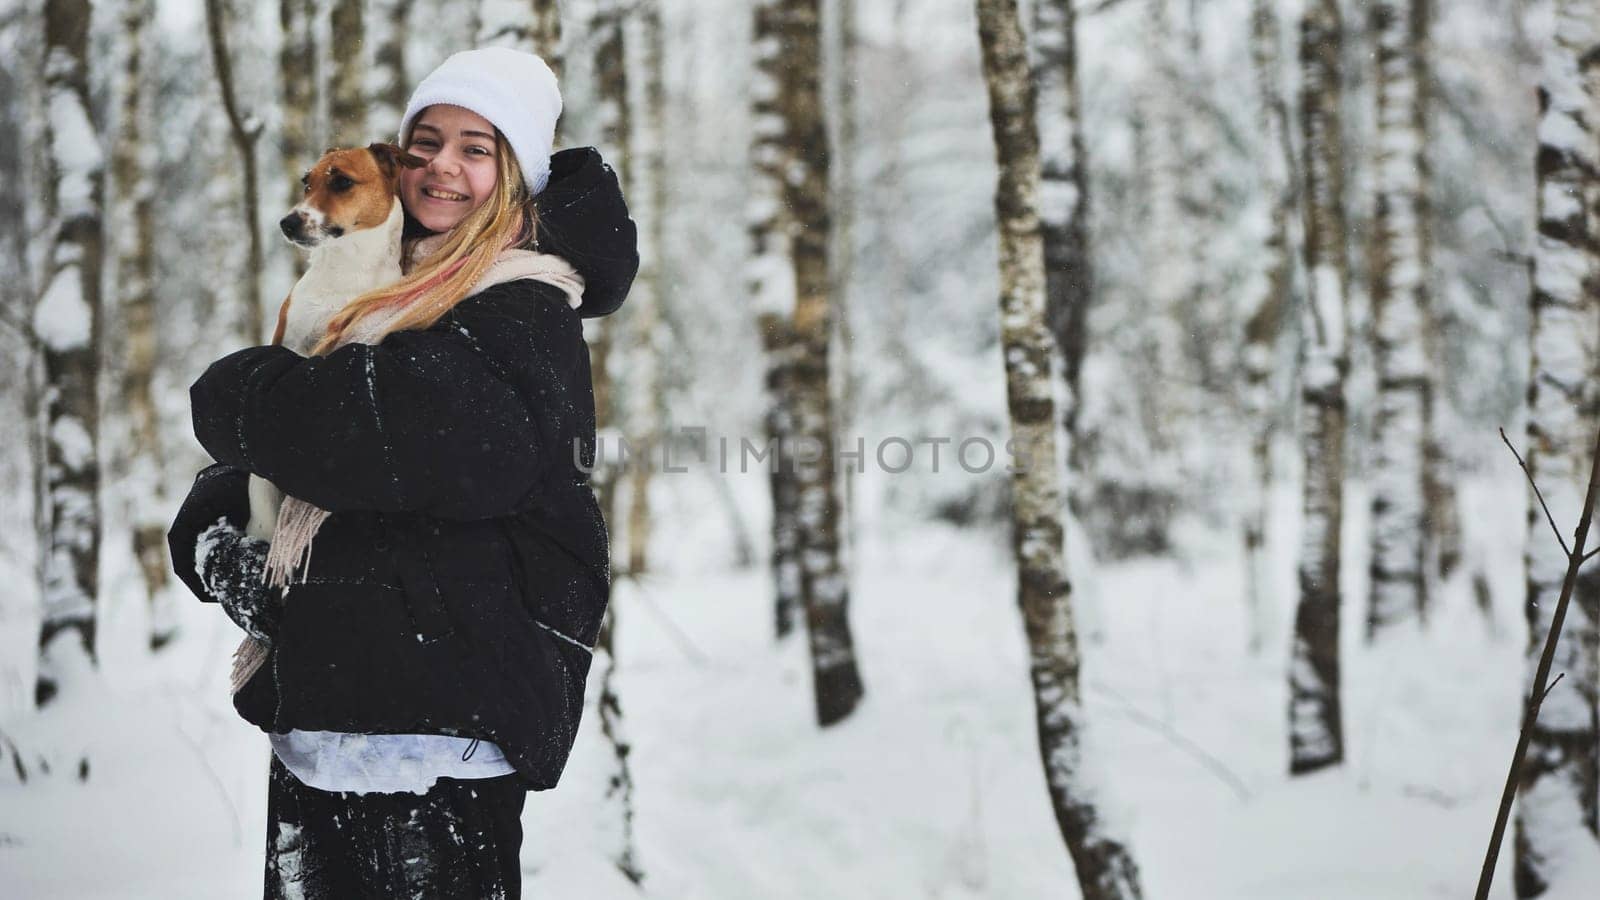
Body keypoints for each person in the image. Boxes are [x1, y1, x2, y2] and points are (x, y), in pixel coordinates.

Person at [165, 46, 638, 899]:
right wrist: (223, 541)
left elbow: (391, 442)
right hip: (322, 730)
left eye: (475, 147)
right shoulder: (384, 289)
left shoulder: (522, 304)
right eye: (423, 143)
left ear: (517, 176)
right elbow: (280, 465)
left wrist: (233, 391)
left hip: (439, 748)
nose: (440, 168)